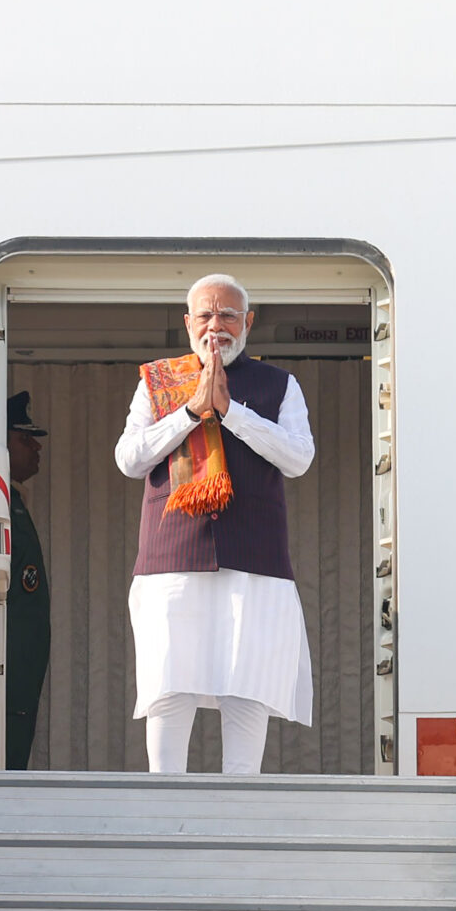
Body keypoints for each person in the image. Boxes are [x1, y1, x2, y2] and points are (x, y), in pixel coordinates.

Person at [112, 273, 316, 773]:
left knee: (248, 685)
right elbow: (129, 458)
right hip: (172, 560)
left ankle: (240, 807)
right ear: (188, 322)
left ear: (247, 322)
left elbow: (298, 458)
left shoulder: (278, 384)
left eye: (227, 315)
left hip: (255, 562)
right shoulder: (157, 382)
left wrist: (230, 412)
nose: (215, 326)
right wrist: (190, 411)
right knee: (169, 683)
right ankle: (164, 806)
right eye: (205, 314)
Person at [3, 391, 49, 771]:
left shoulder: (13, 503)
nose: (35, 447)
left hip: (21, 669)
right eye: (23, 438)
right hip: (9, 668)